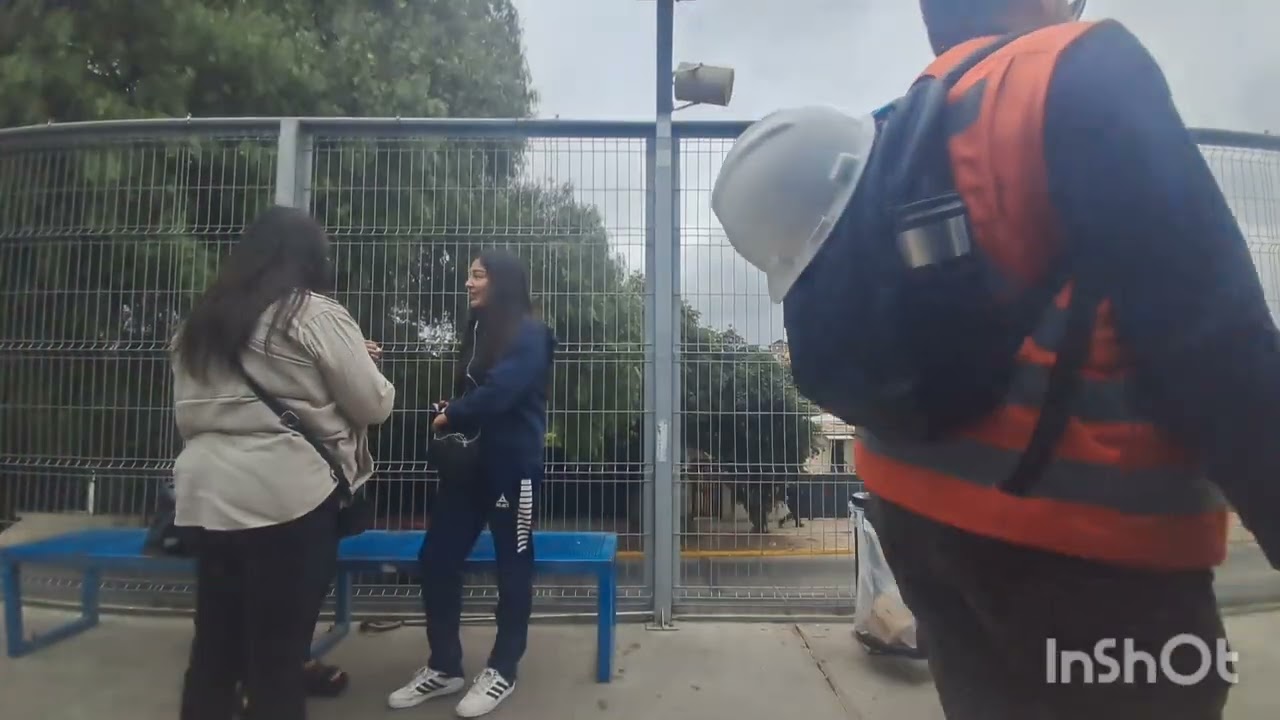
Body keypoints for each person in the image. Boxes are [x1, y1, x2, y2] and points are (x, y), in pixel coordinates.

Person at [714, 1, 1280, 718]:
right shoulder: (1077, 72)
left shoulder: (903, 126)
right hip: (1085, 552)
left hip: (916, 518)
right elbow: (1221, 349)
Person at [171, 205, 395, 720]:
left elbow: (193, 411)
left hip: (206, 498)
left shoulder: (198, 324)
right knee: (276, 660)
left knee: (213, 652)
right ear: (308, 258)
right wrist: (364, 362)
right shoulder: (311, 314)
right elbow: (373, 405)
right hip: (286, 500)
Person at [388, 249, 557, 718]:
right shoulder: (480, 328)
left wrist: (453, 414)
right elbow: (478, 389)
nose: (468, 283)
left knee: (513, 566)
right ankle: (445, 666)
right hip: (469, 470)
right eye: (469, 276)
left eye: (477, 275)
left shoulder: (532, 333)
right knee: (437, 558)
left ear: (501, 281)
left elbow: (502, 392)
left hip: (513, 471)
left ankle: (503, 668)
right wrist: (455, 404)